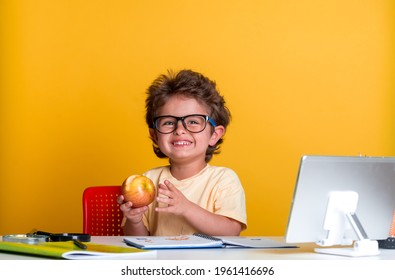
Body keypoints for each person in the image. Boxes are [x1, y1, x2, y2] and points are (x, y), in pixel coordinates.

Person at [117, 69, 247, 236]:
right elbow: (139, 241)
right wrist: (134, 220)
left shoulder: (223, 180)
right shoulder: (149, 179)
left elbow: (231, 231)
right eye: (169, 122)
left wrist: (186, 208)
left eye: (193, 121)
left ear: (214, 135)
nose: (180, 130)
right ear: (155, 135)